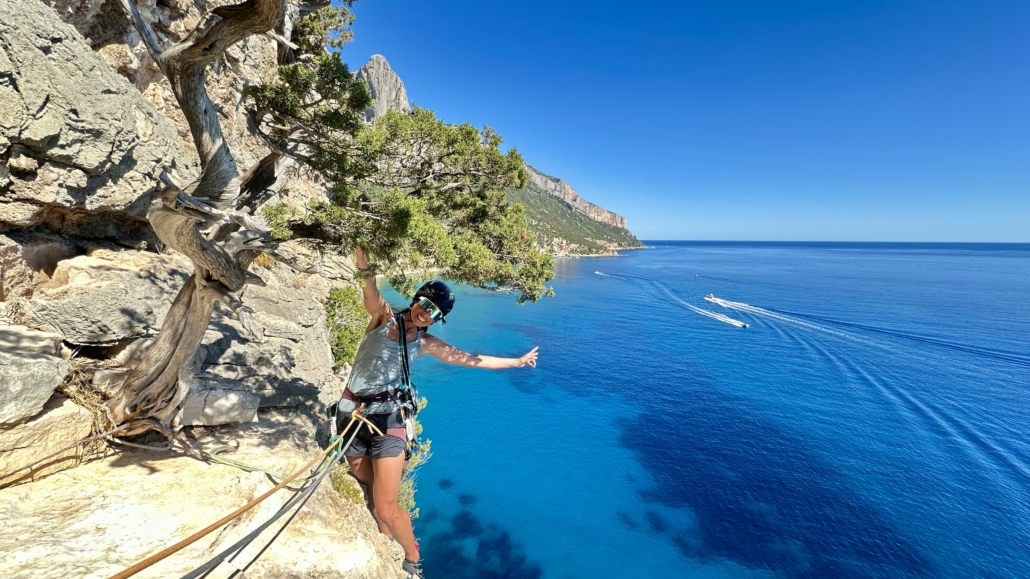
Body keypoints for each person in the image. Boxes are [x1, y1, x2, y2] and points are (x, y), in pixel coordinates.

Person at [336, 246, 539, 579]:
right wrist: (362, 250)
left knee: (386, 506)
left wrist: (515, 362)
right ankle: (384, 541)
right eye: (425, 304)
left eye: (434, 313)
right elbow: (369, 285)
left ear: (437, 320)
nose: (425, 314)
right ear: (416, 299)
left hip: (389, 422)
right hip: (351, 415)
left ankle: (412, 556)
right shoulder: (381, 318)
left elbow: (473, 359)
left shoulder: (426, 343)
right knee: (367, 486)